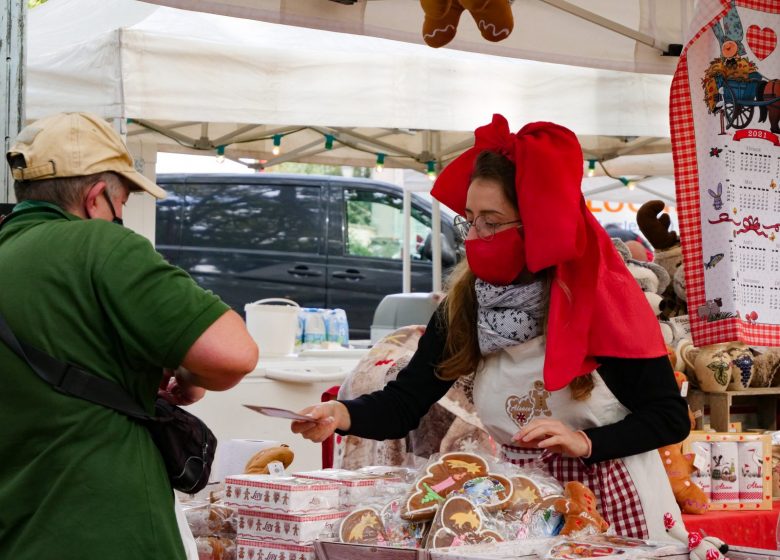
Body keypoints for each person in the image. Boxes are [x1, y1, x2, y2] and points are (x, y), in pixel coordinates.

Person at [292, 115, 690, 540]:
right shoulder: (468, 304)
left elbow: (668, 417)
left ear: (538, 225)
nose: (477, 235)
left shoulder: (599, 301)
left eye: (492, 221)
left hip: (610, 499)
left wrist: (586, 442)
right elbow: (406, 401)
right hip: (518, 505)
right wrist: (342, 414)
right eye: (470, 220)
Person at [0, 113, 259, 559]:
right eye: (122, 203)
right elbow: (233, 354)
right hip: (107, 529)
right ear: (96, 197)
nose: (121, 216)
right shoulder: (100, 245)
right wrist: (188, 371)